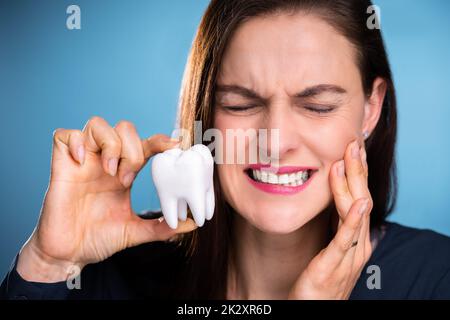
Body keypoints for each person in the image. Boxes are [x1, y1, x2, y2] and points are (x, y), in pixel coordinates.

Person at [1, 0, 450, 300]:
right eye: (241, 104)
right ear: (204, 113)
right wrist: (49, 263)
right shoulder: (112, 277)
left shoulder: (435, 278)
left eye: (316, 106)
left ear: (371, 109)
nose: (273, 142)